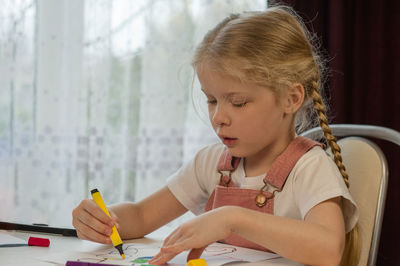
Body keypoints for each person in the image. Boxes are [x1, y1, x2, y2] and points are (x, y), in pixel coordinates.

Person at [72, 5, 360, 266]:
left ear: (291, 98)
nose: (218, 117)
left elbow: (329, 249)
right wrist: (104, 220)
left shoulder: (309, 168)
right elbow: (143, 216)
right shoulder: (210, 164)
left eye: (238, 102)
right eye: (211, 100)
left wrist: (232, 219)